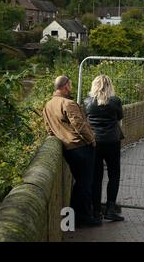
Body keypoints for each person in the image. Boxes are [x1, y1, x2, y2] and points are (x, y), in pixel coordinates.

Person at [43, 75, 101, 226]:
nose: (71, 88)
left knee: (80, 183)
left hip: (67, 148)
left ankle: (74, 218)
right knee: (85, 184)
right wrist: (91, 140)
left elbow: (49, 129)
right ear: (66, 86)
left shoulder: (48, 105)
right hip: (80, 147)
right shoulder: (68, 103)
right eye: (70, 85)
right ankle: (83, 219)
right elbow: (80, 125)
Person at [84, 75, 125, 222]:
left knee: (96, 177)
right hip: (112, 142)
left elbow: (84, 120)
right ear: (109, 85)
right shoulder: (115, 101)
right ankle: (110, 209)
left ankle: (96, 211)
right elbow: (120, 117)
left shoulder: (87, 102)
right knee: (114, 175)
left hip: (94, 143)